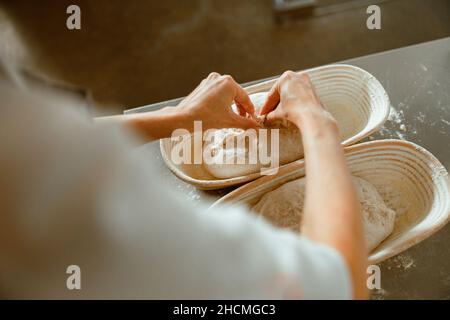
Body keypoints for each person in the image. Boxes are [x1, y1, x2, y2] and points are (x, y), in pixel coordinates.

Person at [0, 69, 367, 299]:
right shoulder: (40, 198)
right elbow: (338, 285)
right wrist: (318, 125)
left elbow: (48, 143)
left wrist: (174, 118)